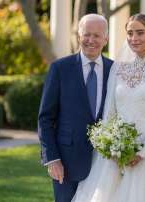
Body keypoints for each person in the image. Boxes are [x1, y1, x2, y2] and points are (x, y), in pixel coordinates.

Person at [72, 14, 145, 202]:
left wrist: (142, 151)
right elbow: (109, 112)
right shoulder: (118, 68)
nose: (134, 38)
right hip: (114, 154)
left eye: (140, 33)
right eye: (130, 33)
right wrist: (110, 147)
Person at [38, 14, 113, 202]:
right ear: (78, 36)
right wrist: (52, 159)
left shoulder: (116, 70)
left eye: (97, 35)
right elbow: (45, 118)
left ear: (106, 38)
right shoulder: (60, 69)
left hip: (105, 164)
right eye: (86, 34)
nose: (91, 40)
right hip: (66, 162)